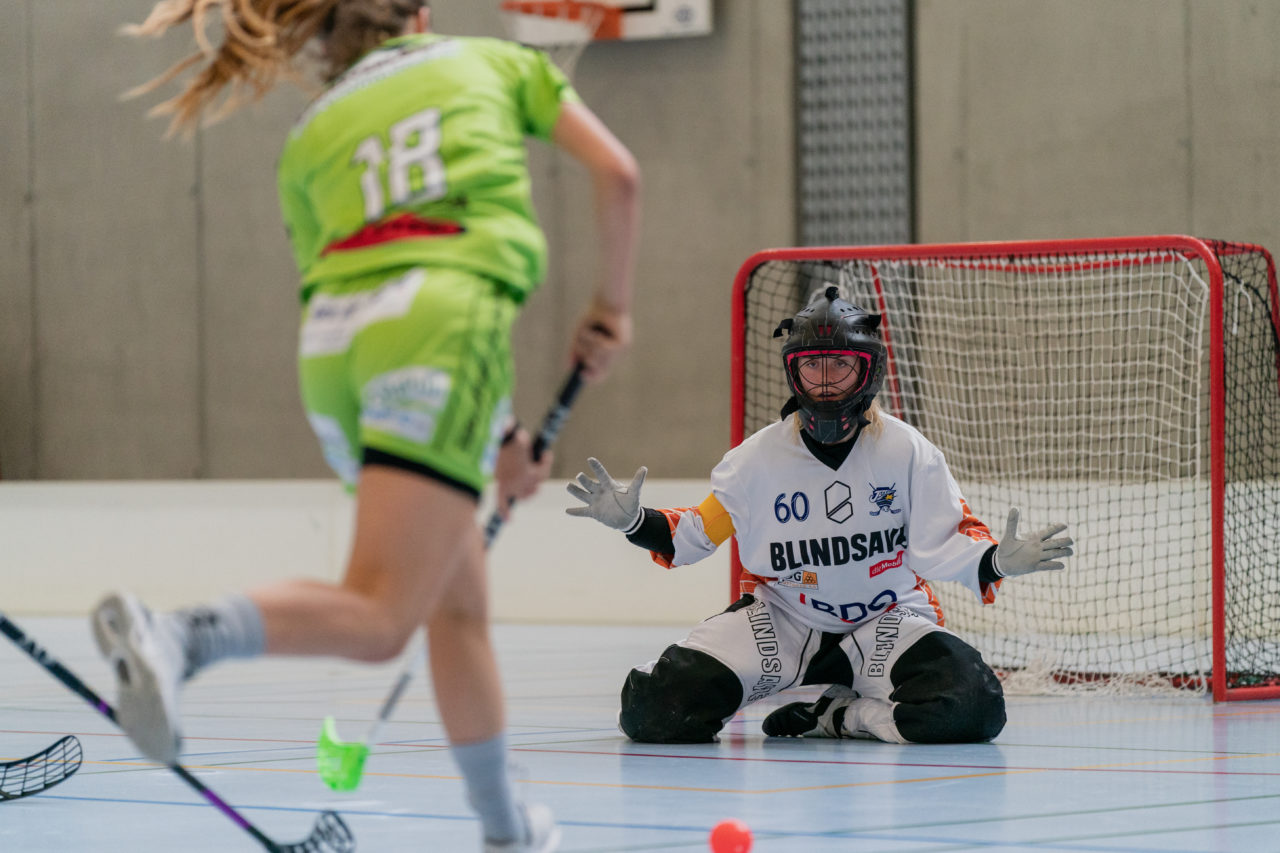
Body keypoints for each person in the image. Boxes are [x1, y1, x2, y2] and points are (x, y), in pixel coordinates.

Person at [92, 2, 640, 851]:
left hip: (337, 353)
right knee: (384, 617)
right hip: (442, 330)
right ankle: (183, 636)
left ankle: (507, 829)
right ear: (419, 12)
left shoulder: (314, 134)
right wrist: (609, 309)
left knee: (454, 610)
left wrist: (496, 444)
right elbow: (620, 174)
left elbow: (369, 281)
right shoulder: (492, 65)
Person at [566, 287, 1072, 746]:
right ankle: (805, 696)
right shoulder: (754, 461)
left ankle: (840, 717)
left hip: (885, 620)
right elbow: (692, 535)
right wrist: (634, 521)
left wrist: (998, 560)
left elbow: (947, 540)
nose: (826, 381)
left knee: (974, 711)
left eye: (840, 366)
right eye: (813, 366)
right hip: (781, 621)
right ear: (794, 371)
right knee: (655, 715)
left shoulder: (906, 451)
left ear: (867, 369)